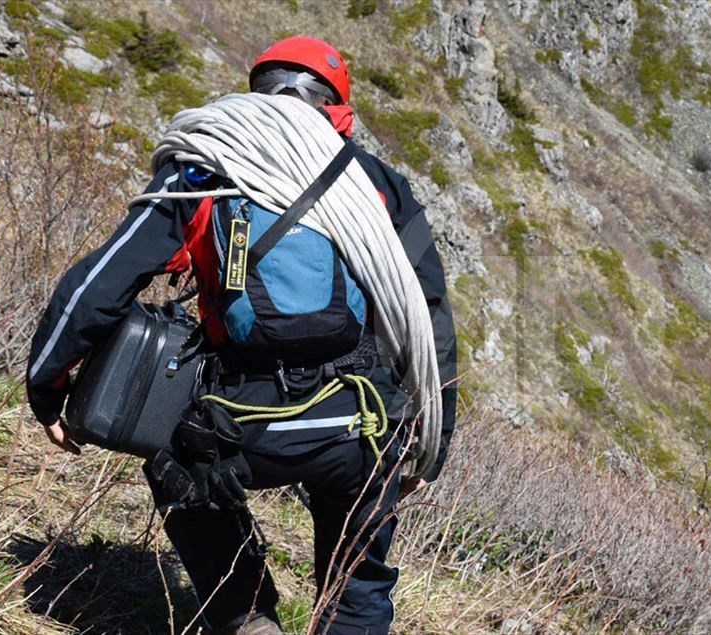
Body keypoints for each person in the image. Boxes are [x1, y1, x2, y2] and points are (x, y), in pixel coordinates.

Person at [24, 36, 458, 635]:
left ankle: (244, 617)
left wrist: (47, 385)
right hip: (360, 422)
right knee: (357, 581)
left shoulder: (208, 166)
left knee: (168, 449)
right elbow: (429, 316)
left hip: (237, 422)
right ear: (340, 108)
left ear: (257, 92)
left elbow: (99, 284)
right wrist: (429, 443)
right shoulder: (379, 187)